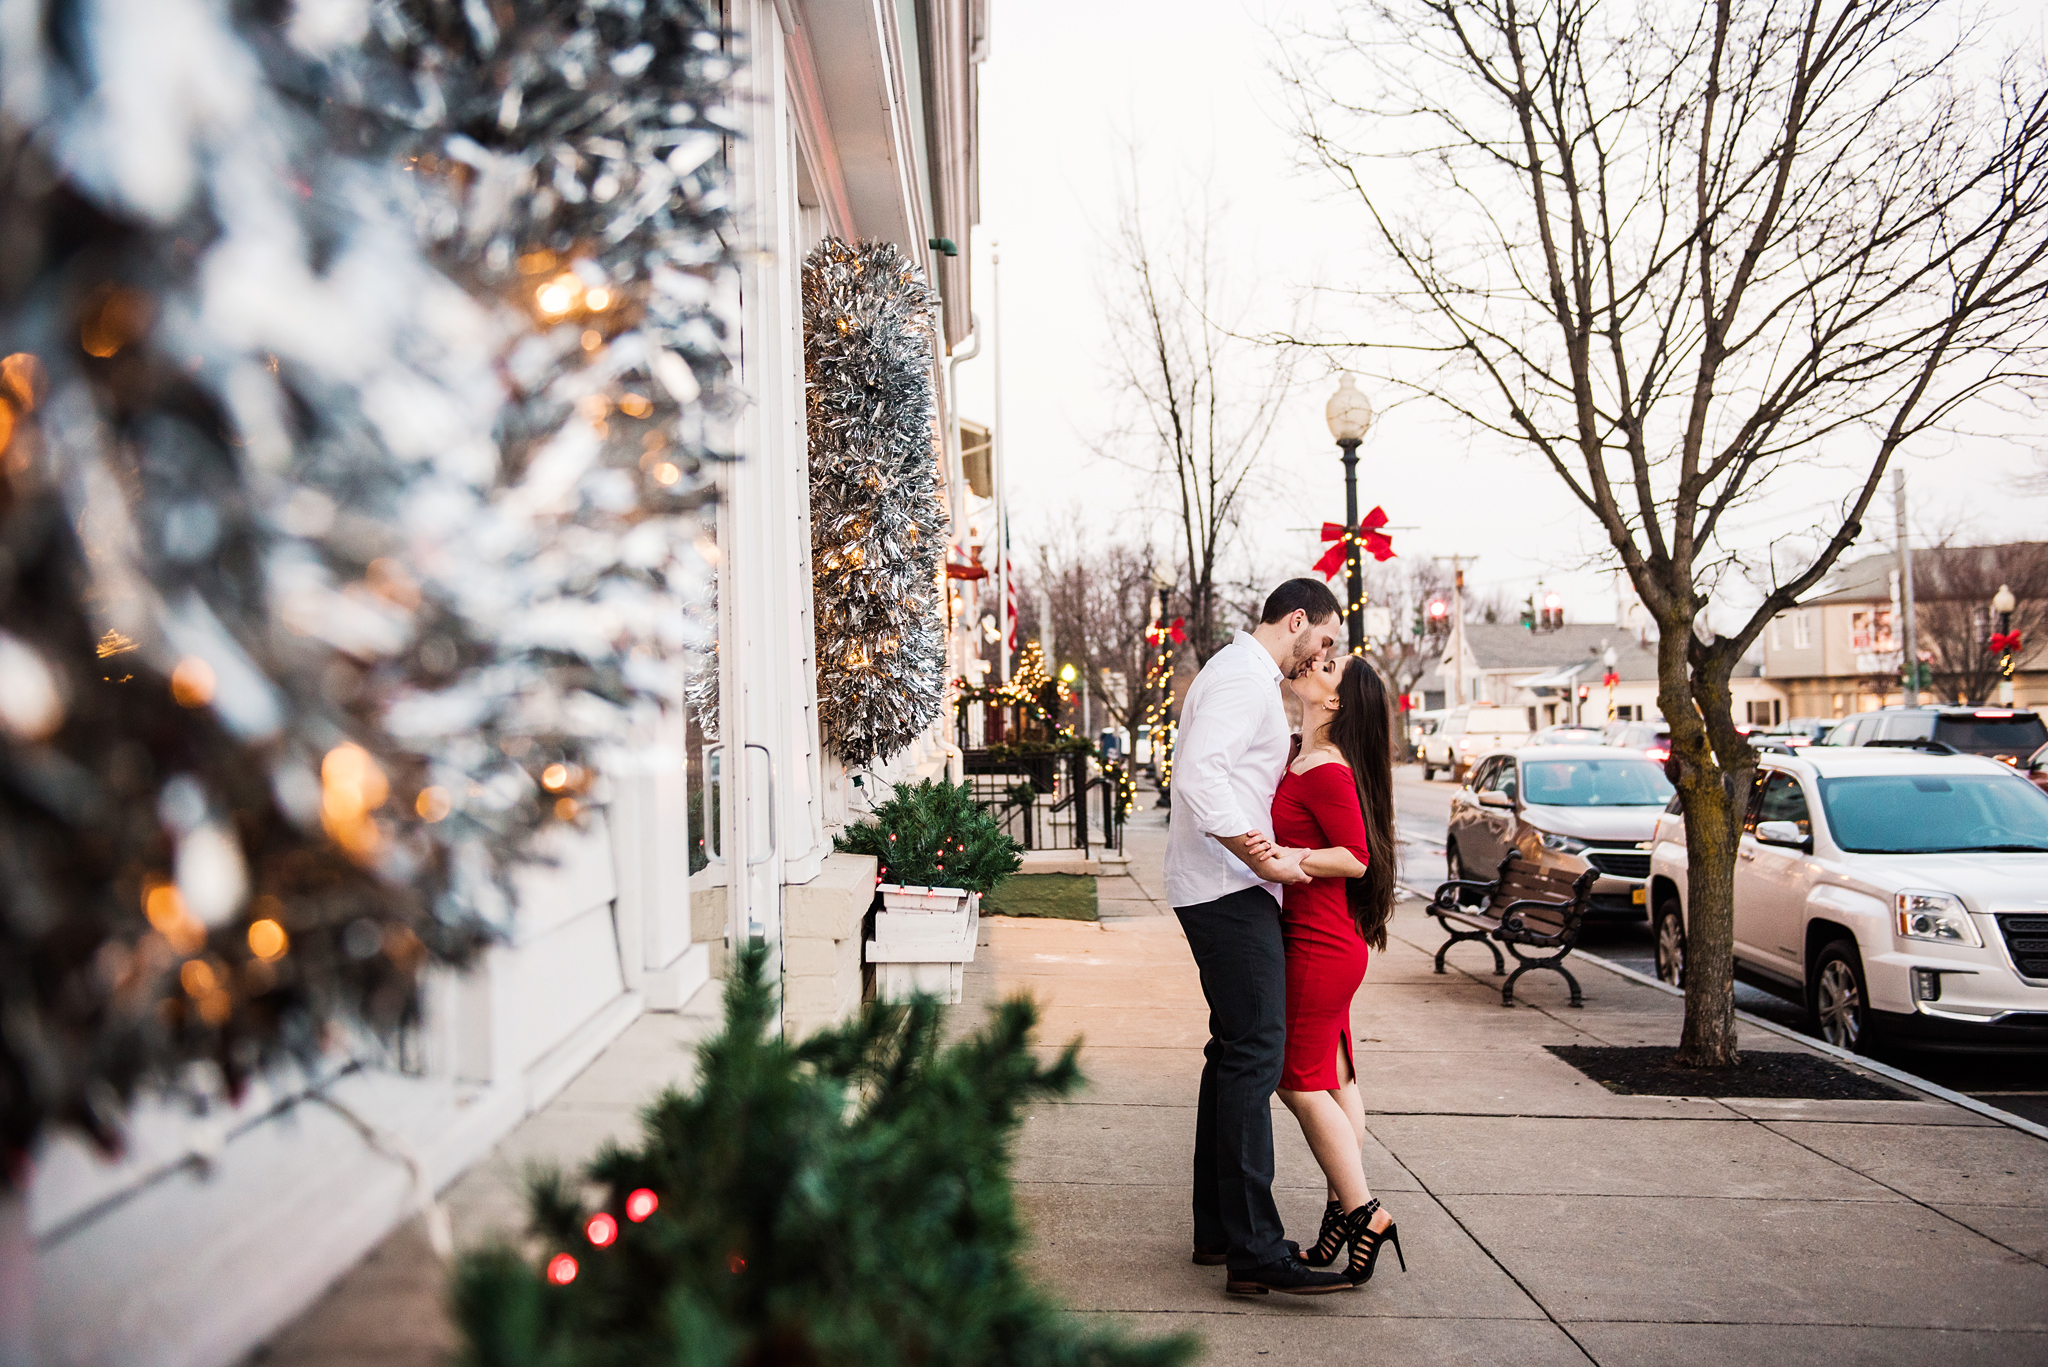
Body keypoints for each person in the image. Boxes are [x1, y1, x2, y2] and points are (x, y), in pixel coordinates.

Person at [1165, 578, 1351, 1297]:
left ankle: (1219, 1230)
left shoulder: (1244, 675)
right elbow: (1198, 775)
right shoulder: (1242, 677)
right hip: (1226, 888)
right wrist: (1256, 853)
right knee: (1255, 1057)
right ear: (1297, 620)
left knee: (1233, 1054)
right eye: (1325, 638)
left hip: (1226, 885)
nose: (1325, 652)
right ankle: (1255, 1249)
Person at [1271, 653, 1406, 1285]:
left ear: (1336, 702)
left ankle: (1364, 1212)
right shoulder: (1305, 751)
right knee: (1335, 1078)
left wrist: (1283, 855)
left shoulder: (1326, 767)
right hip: (1328, 938)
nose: (1315, 664)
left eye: (1329, 668)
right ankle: (1337, 1217)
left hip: (1319, 942)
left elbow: (1355, 857)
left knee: (1296, 1082)